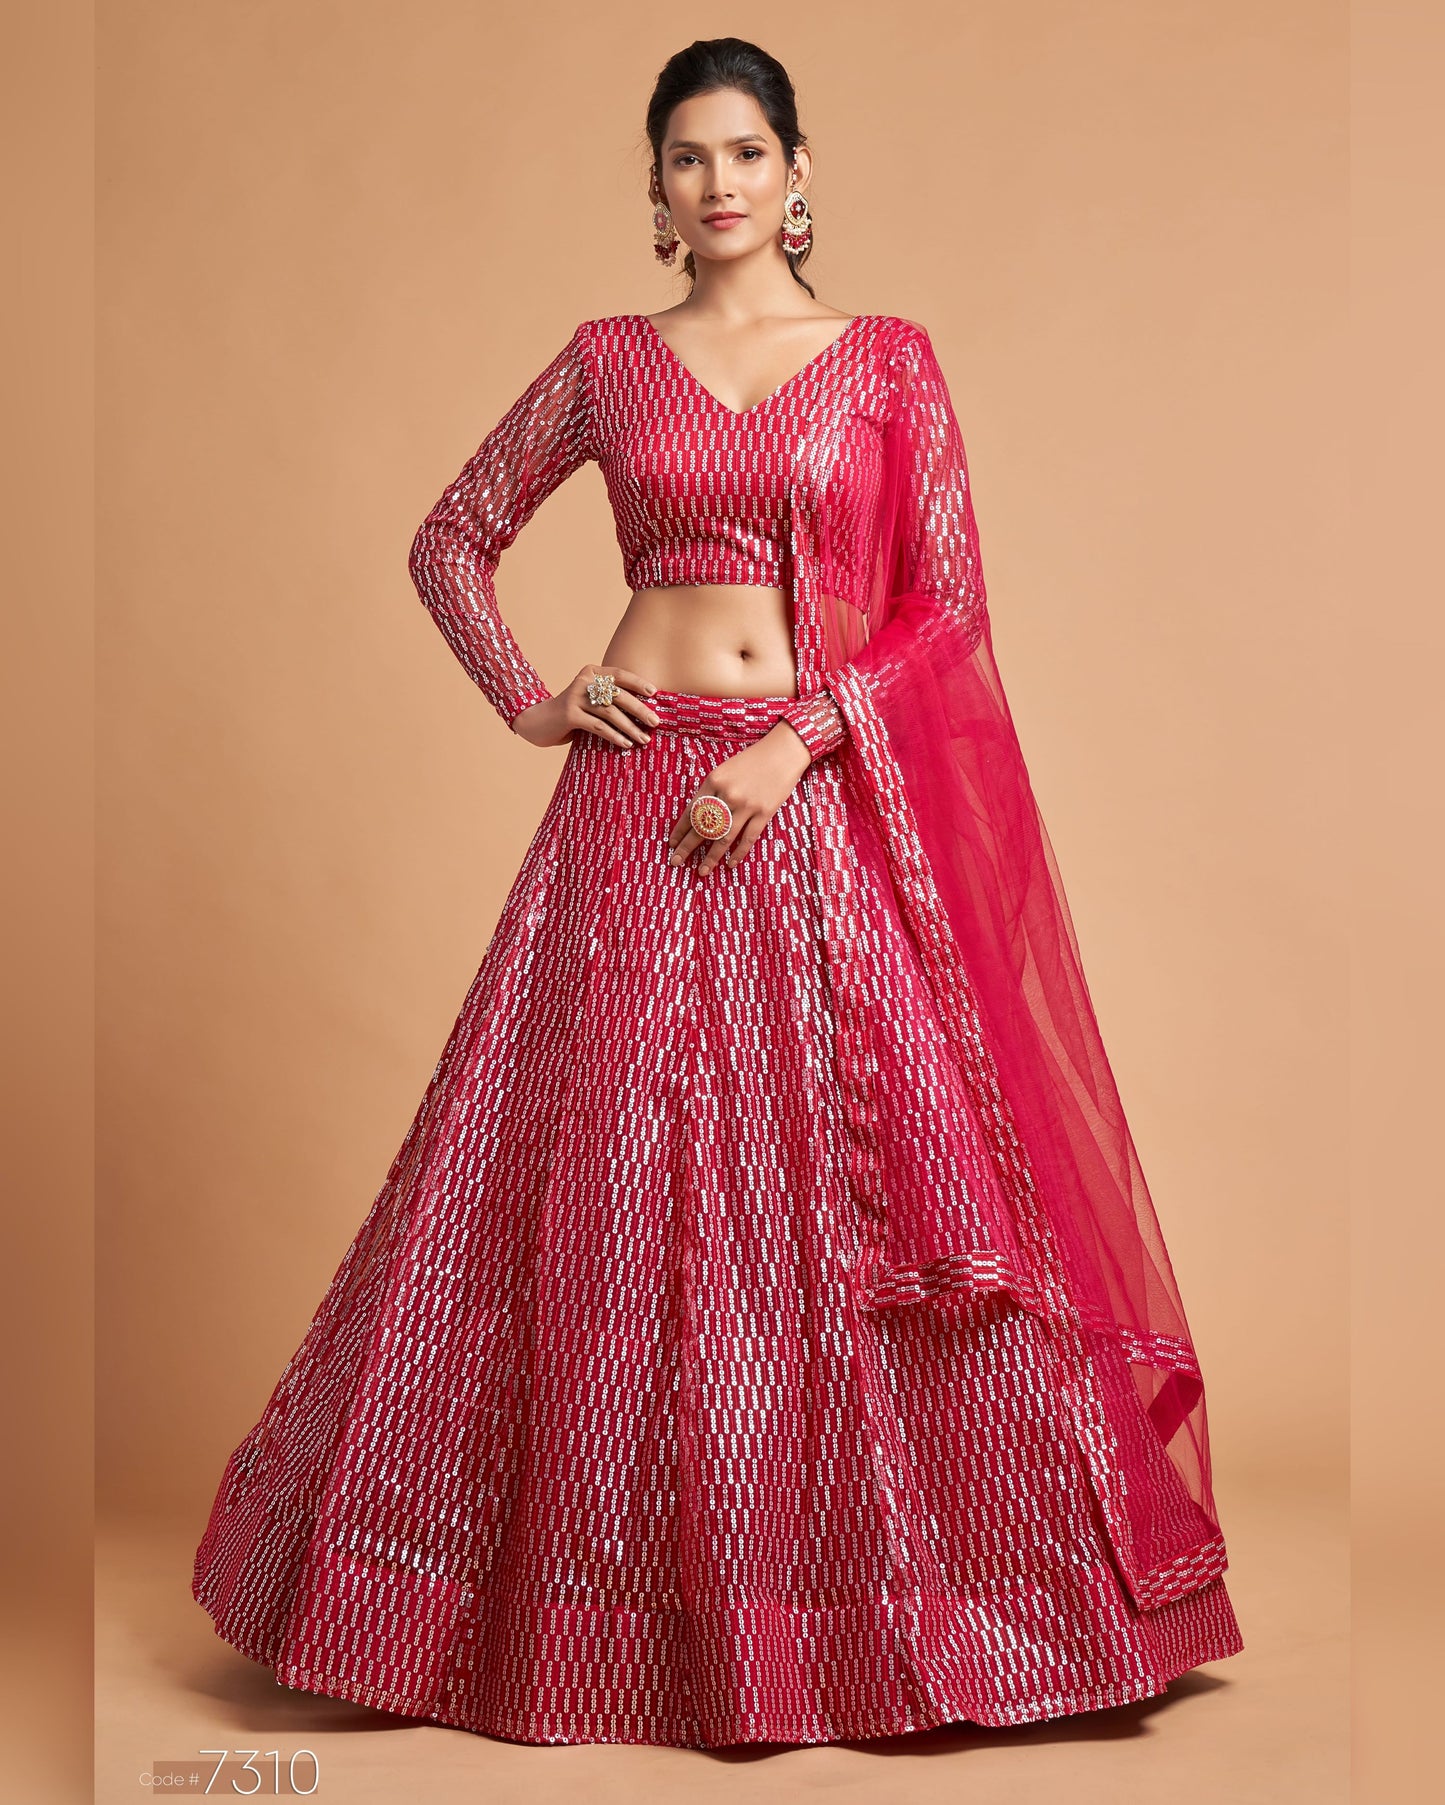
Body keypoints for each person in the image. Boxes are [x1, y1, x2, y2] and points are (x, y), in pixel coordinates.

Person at [192, 37, 1243, 1748]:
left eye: (746, 150)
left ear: (798, 169)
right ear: (657, 194)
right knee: (588, 1185)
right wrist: (530, 694)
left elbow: (944, 607)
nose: (719, 182)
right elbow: (449, 534)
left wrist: (798, 740)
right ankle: (583, 1625)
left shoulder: (884, 361)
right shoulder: (608, 366)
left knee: (836, 1204)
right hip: (629, 801)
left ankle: (931, 1616)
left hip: (803, 803)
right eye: (686, 158)